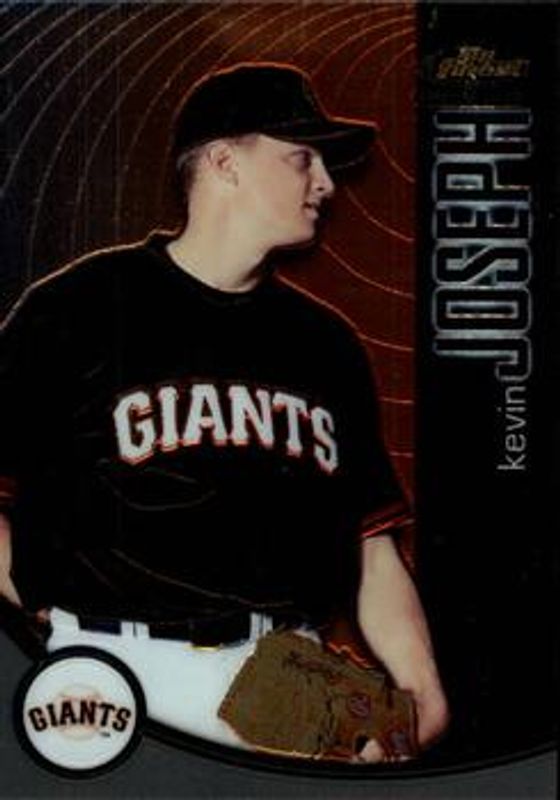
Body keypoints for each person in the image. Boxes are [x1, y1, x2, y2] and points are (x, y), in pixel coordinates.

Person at [0, 63, 448, 762]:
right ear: (223, 162)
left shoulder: (324, 344)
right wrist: (47, 618)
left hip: (287, 678)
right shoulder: (76, 308)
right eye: (301, 157)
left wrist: (421, 689)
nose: (326, 183)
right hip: (114, 667)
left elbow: (371, 545)